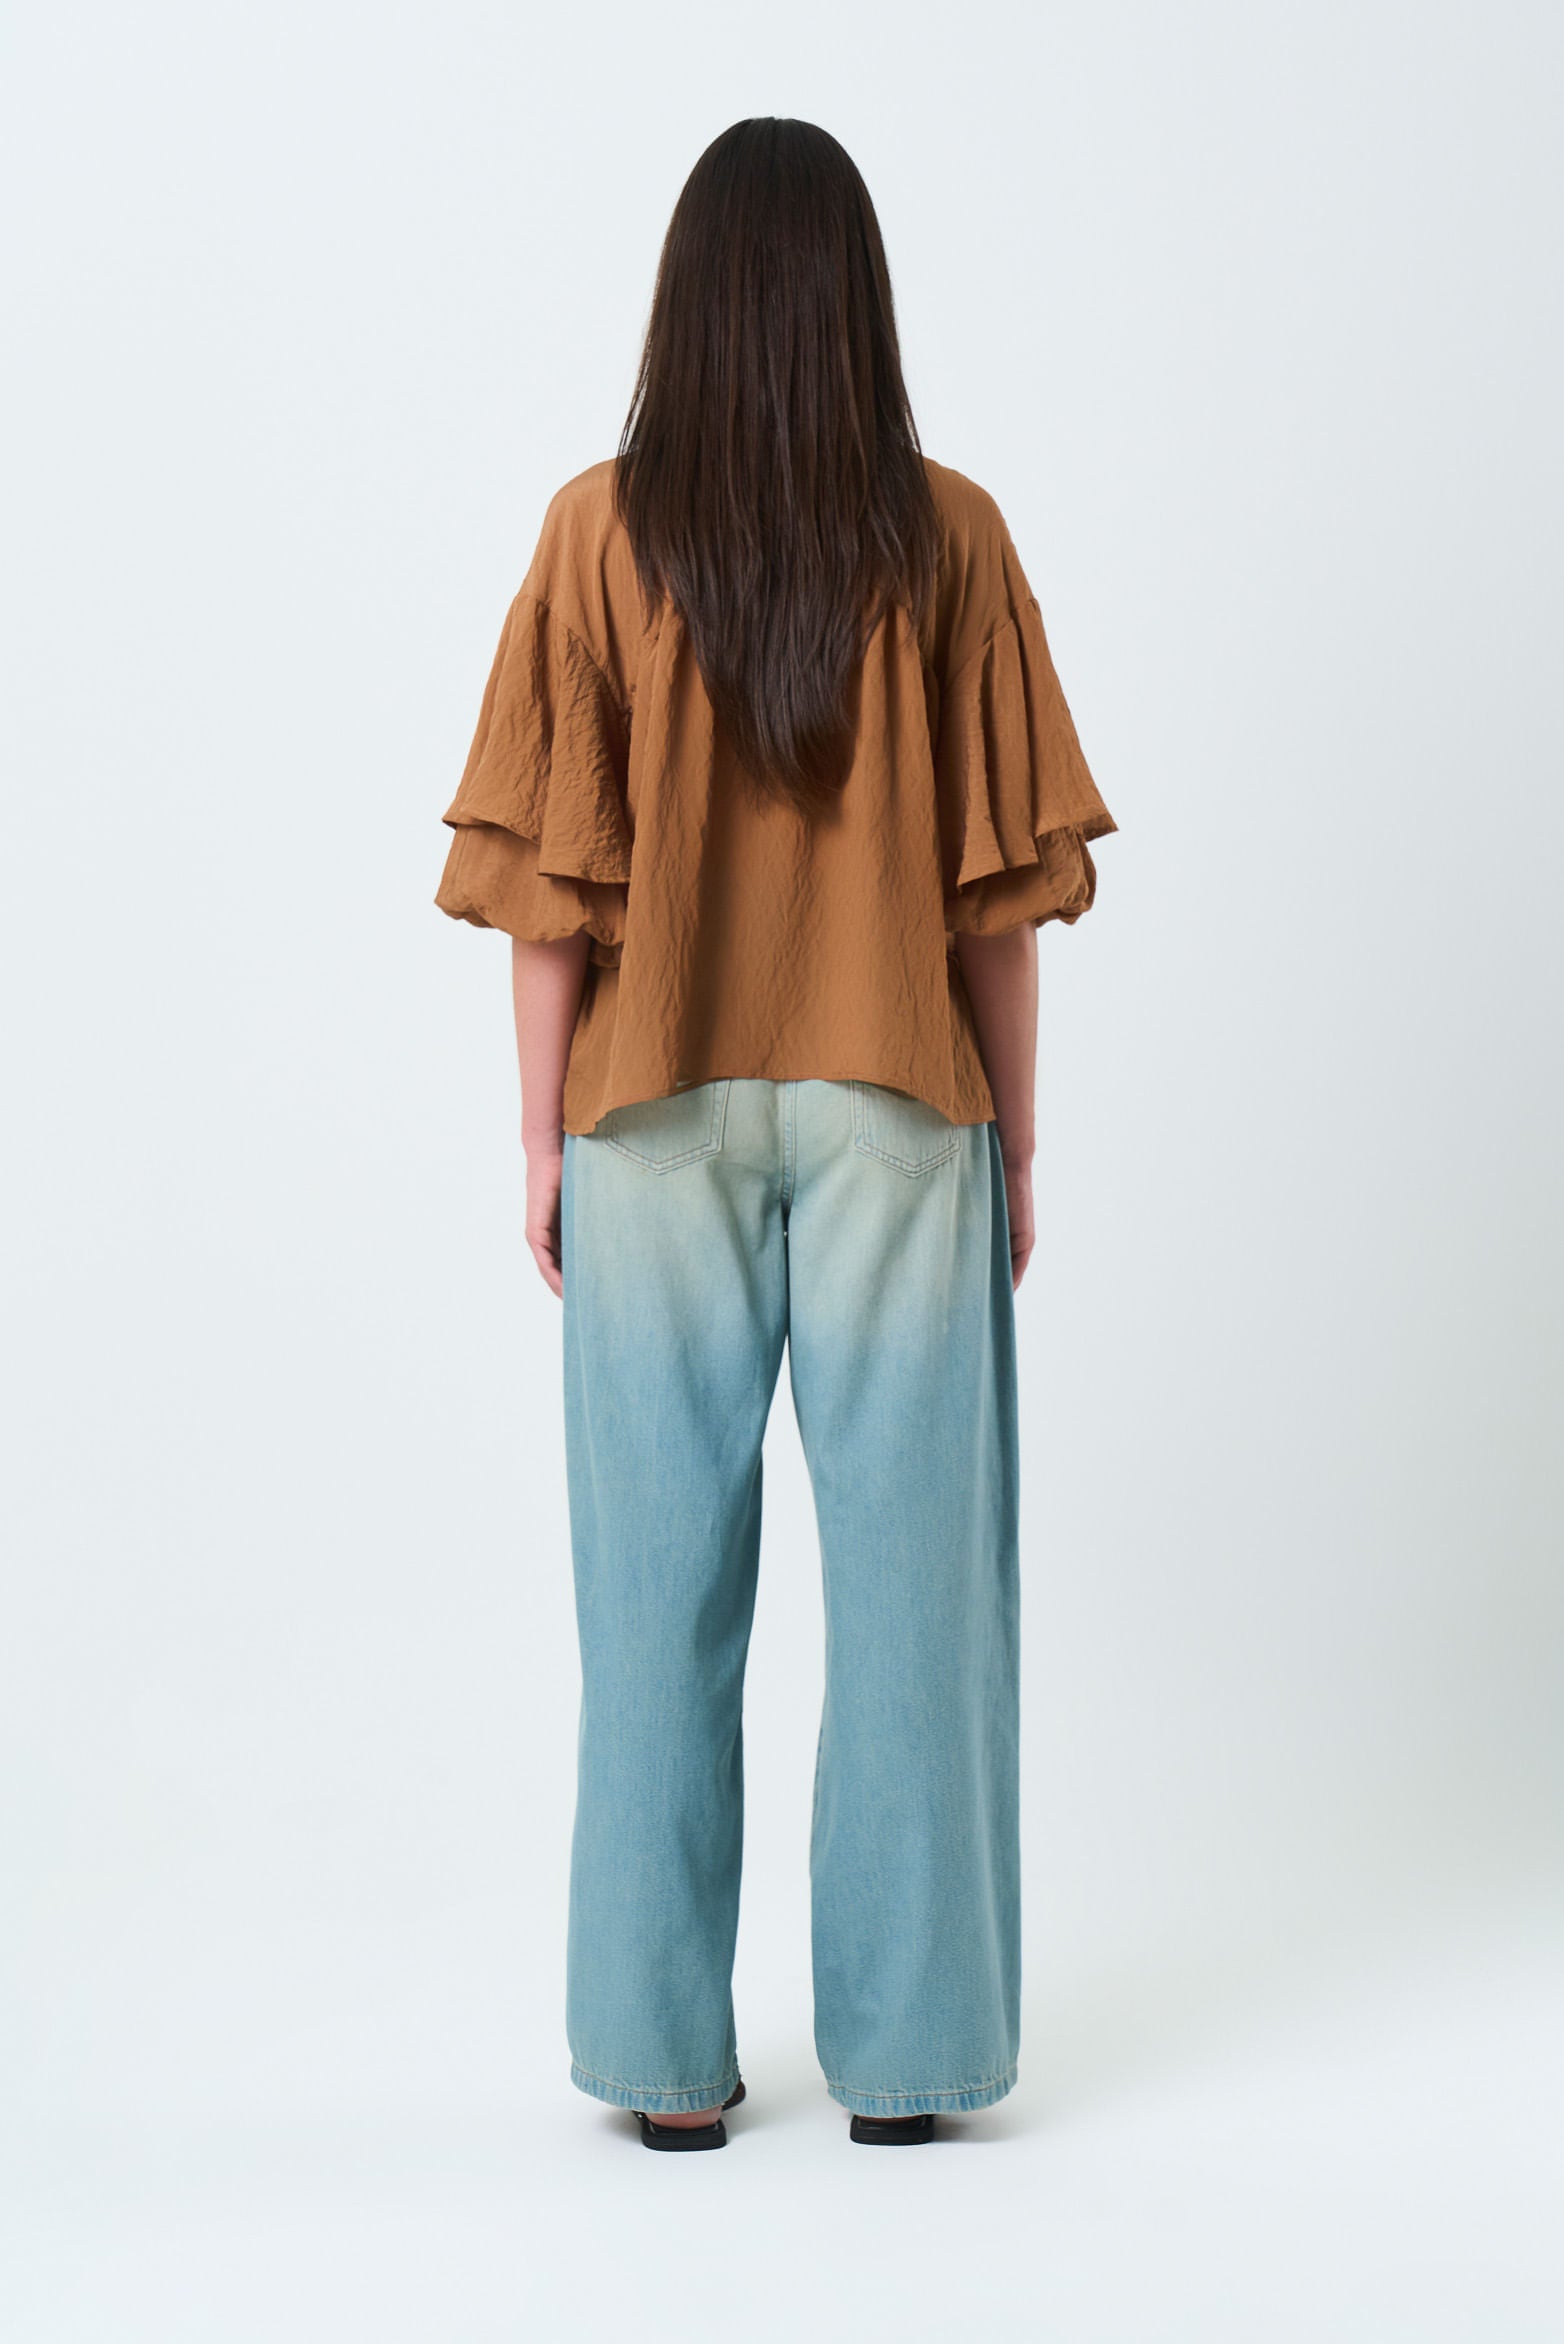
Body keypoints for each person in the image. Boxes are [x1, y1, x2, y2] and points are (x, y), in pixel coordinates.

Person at [435, 116, 1117, 2150]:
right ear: (856, 308)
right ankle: (909, 2066)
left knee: (650, 1607)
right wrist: (1018, 1144)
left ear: (689, 303)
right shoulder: (950, 538)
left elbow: (547, 887)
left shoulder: (594, 534)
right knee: (920, 1606)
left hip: (648, 1112)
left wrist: (538, 1137)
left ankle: (661, 2073)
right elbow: (997, 903)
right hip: (901, 1099)